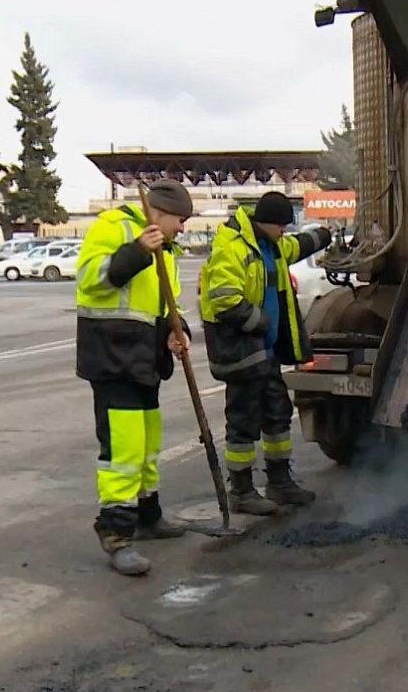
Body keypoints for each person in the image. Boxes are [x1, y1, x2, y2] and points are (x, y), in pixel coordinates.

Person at [75, 180, 195, 577]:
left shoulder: (169, 250)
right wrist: (138, 251)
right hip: (113, 357)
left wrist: (178, 333)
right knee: (123, 453)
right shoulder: (112, 227)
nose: (183, 228)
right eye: (180, 220)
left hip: (145, 360)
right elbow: (91, 279)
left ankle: (148, 516)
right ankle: (116, 535)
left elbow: (166, 304)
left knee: (146, 446)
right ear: (159, 213)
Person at [199, 192, 333, 516]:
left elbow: (298, 246)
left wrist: (324, 235)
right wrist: (259, 322)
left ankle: (279, 482)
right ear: (266, 223)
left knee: (277, 412)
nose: (285, 233)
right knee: (243, 419)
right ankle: (242, 490)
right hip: (242, 351)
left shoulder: (273, 247)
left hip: (266, 352)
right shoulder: (232, 248)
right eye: (282, 226)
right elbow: (223, 298)